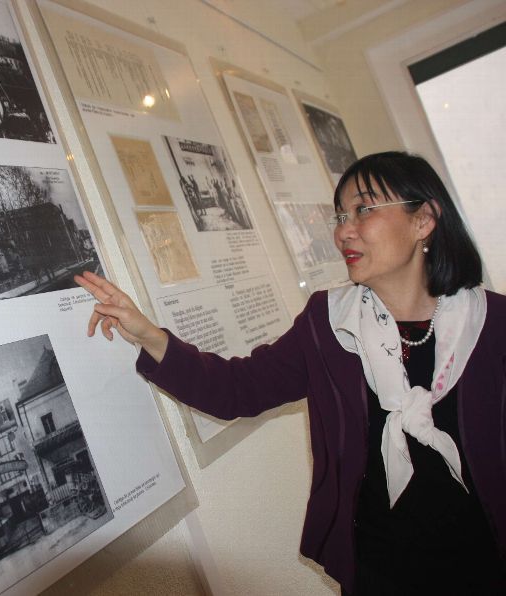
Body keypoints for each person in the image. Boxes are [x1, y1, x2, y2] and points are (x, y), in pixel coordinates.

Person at [74, 151, 506, 594]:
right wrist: (149, 335)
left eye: (364, 210)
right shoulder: (327, 323)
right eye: (341, 216)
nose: (344, 231)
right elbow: (236, 389)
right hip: (379, 573)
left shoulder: (492, 326)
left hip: (485, 566)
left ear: (423, 221)